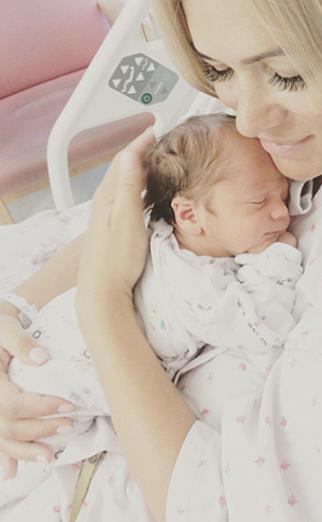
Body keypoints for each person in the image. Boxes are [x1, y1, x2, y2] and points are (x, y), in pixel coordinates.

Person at [0, 0, 322, 521]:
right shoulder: (262, 128)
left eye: (287, 75)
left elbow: (242, 506)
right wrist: (14, 319)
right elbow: (121, 226)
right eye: (218, 70)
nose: (248, 120)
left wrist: (104, 307)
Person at [0, 113, 303, 510]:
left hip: (44, 352)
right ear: (189, 214)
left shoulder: (157, 230)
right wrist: (278, 256)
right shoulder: (198, 287)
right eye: (259, 202)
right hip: (54, 381)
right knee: (23, 460)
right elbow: (261, 326)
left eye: (283, 196)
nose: (282, 214)